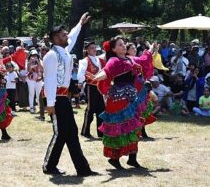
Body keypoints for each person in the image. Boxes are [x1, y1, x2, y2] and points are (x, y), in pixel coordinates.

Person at [87, 36, 156, 170]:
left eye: (124, 44)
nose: (123, 46)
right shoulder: (114, 60)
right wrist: (96, 77)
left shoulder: (130, 59)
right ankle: (114, 159)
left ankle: (132, 159)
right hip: (119, 100)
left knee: (135, 127)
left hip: (131, 98)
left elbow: (143, 59)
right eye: (119, 45)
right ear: (113, 49)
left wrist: (151, 48)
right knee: (119, 129)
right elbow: (106, 72)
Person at [42, 12, 97, 176]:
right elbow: (50, 80)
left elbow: (72, 36)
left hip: (64, 98)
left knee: (71, 132)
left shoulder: (63, 52)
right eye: (63, 35)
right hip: (56, 99)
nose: (67, 37)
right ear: (56, 39)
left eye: (66, 34)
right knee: (60, 133)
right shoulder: (51, 55)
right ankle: (49, 166)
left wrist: (80, 23)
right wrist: (50, 104)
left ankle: (82, 169)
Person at [78, 42, 106, 139]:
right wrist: (80, 82)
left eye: (95, 48)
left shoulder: (100, 59)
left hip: (99, 87)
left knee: (101, 109)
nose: (94, 49)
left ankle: (101, 132)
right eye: (91, 48)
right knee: (91, 108)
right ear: (87, 50)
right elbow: (81, 73)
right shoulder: (85, 61)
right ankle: (85, 131)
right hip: (91, 86)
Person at [26, 50, 44, 114]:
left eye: (35, 55)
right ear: (30, 56)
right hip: (30, 79)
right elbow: (28, 70)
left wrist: (38, 62)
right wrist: (30, 62)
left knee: (39, 94)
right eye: (33, 55)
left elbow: (42, 69)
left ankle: (40, 107)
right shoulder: (28, 62)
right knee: (31, 93)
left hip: (38, 79)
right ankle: (31, 107)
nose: (34, 56)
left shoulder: (40, 61)